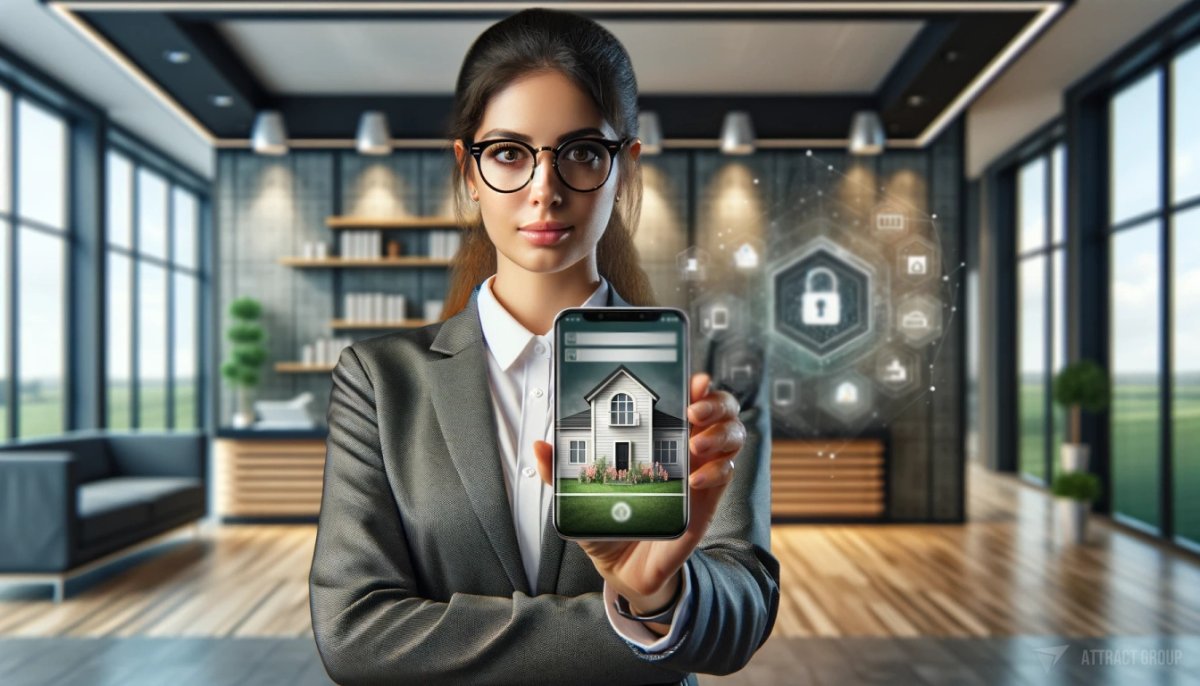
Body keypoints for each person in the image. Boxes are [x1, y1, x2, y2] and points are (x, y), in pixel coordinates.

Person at [309, 8, 779, 685]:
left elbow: (741, 615)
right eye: (508, 153)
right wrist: (634, 626)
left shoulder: (705, 374)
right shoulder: (380, 381)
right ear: (468, 171)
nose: (544, 190)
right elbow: (353, 635)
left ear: (624, 168)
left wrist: (656, 592)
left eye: (583, 152)